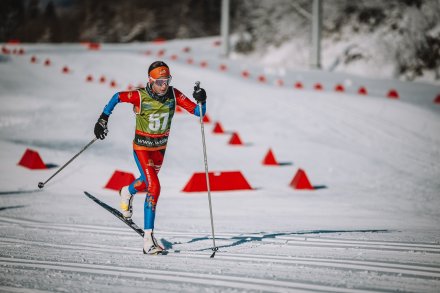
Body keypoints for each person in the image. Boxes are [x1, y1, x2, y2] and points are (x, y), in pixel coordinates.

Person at [94, 61, 207, 254]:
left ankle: (126, 191)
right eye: (159, 82)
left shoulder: (174, 94)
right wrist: (103, 118)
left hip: (159, 149)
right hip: (142, 148)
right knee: (154, 186)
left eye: (167, 81)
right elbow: (116, 97)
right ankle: (148, 240)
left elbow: (200, 112)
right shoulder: (139, 95)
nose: (164, 86)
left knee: (147, 183)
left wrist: (202, 99)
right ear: (150, 80)